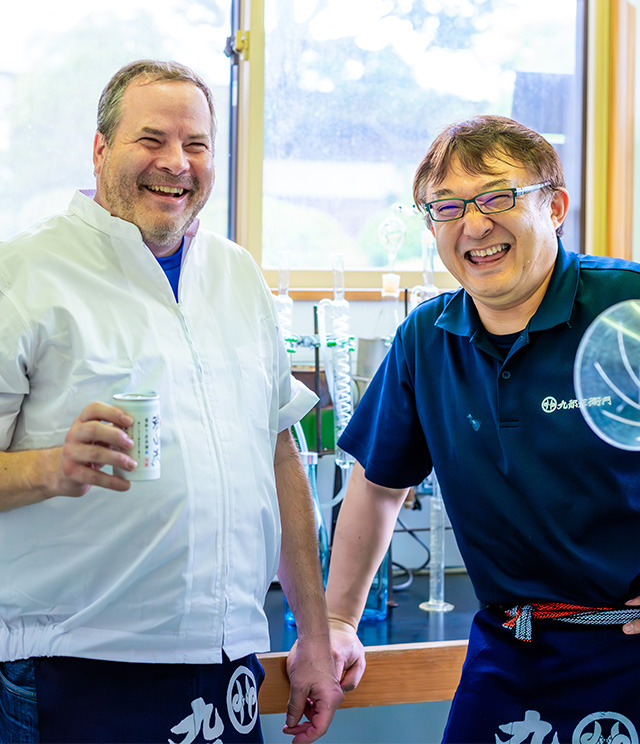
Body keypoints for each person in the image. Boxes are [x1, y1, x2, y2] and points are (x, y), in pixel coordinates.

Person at [0, 59, 342, 744]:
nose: (175, 163)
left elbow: (279, 456)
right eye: (150, 139)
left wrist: (314, 634)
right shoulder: (26, 274)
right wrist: (50, 469)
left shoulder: (237, 274)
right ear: (100, 150)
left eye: (197, 145)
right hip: (75, 660)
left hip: (227, 661)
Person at [324, 115, 640, 743]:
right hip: (509, 648)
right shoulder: (427, 339)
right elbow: (378, 485)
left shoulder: (624, 312)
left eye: (498, 196)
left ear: (555, 207)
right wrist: (337, 620)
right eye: (446, 206)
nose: (474, 224)